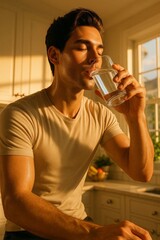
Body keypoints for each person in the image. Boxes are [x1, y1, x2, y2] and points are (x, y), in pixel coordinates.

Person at [0, 7, 154, 240]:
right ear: (55, 56)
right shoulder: (20, 114)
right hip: (29, 230)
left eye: (99, 50)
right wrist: (95, 233)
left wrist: (136, 117)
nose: (95, 57)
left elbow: (141, 172)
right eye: (83, 48)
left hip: (79, 223)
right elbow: (16, 202)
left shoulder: (101, 115)